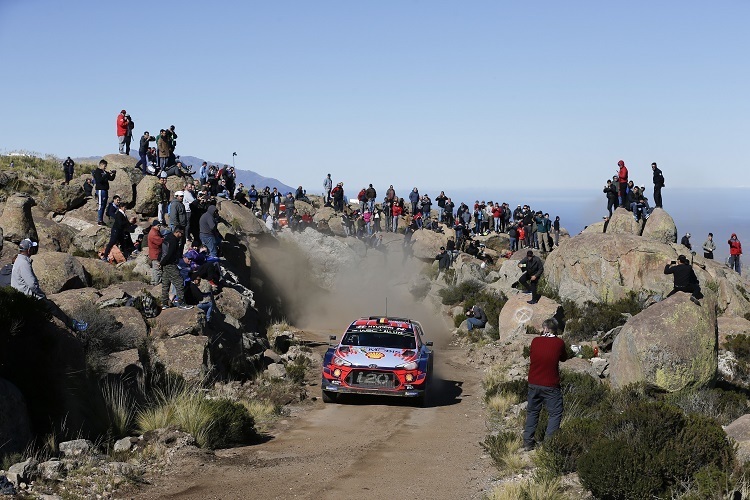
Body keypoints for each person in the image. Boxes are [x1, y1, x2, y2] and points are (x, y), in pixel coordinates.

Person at [11, 239, 88, 331]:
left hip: (19, 295)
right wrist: (41, 295)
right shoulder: (24, 263)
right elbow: (32, 284)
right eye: (32, 248)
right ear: (28, 250)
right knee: (51, 307)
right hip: (27, 297)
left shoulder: (19, 260)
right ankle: (74, 325)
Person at [522, 317, 567, 451]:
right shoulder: (559, 343)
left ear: (545, 328)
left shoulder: (535, 341)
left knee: (532, 412)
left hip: (534, 381)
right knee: (555, 413)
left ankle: (527, 442)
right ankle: (549, 445)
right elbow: (564, 358)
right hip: (550, 384)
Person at [160, 225, 192, 310]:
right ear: (177, 232)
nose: (182, 236)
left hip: (165, 264)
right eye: (181, 234)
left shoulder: (168, 237)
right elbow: (169, 254)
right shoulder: (173, 241)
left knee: (166, 284)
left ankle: (164, 303)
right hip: (170, 264)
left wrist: (161, 263)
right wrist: (163, 263)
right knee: (179, 281)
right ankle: (181, 303)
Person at [92, 159, 116, 226]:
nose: (105, 167)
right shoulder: (97, 172)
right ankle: (99, 220)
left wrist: (113, 174)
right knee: (100, 205)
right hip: (100, 190)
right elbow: (99, 180)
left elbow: (111, 179)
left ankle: (101, 220)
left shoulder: (105, 172)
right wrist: (105, 175)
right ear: (101, 165)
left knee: (104, 205)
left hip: (105, 190)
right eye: (105, 166)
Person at [147, 220, 164, 285]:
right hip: (156, 253)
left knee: (155, 269)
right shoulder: (153, 233)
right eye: (158, 226)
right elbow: (159, 241)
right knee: (157, 269)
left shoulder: (154, 232)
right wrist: (163, 239)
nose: (159, 227)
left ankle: (153, 281)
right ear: (155, 226)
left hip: (154, 253)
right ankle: (157, 282)